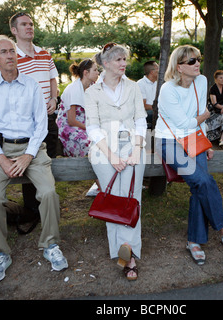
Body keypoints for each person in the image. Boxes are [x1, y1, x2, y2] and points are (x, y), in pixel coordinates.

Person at [0, 35, 68, 282]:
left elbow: (41, 123)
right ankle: (0, 252)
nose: (10, 55)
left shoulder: (31, 85)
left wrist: (29, 155)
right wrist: (2, 158)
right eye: (4, 52)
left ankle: (50, 245)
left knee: (48, 193)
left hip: (33, 149)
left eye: (12, 51)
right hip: (1, 150)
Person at [155, 45, 223, 266]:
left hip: (193, 137)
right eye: (191, 61)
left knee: (198, 186)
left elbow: (196, 117)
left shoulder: (201, 81)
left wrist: (206, 142)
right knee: (202, 180)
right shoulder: (167, 89)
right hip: (170, 140)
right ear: (179, 67)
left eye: (198, 59)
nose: (197, 64)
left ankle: (194, 240)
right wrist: (202, 117)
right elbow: (185, 122)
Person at [84, 43, 147, 281]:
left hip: (133, 145)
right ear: (106, 63)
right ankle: (122, 253)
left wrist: (137, 150)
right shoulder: (92, 92)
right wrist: (112, 156)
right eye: (119, 60)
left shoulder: (133, 87)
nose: (124, 63)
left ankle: (129, 254)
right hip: (103, 149)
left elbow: (141, 121)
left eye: (124, 59)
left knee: (132, 199)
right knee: (114, 200)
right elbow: (92, 127)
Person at [9, 12, 59, 216]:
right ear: (14, 30)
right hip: (27, 121)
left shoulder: (45, 53)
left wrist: (54, 98)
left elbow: (53, 79)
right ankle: (32, 207)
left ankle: (49, 202)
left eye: (31, 24)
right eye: (23, 24)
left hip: (48, 117)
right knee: (28, 161)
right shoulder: (10, 57)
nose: (29, 27)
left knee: (49, 160)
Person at [56, 59, 101, 196]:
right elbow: (71, 120)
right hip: (69, 128)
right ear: (86, 73)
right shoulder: (75, 88)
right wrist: (90, 128)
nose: (98, 73)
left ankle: (108, 182)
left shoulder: (92, 86)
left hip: (85, 123)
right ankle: (104, 187)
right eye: (95, 70)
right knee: (90, 145)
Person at [205, 70, 223, 149]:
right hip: (214, 111)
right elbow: (214, 103)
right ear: (216, 79)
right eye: (221, 78)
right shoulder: (213, 89)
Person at [137, 61, 159, 129]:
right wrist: (158, 108)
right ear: (152, 72)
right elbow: (143, 105)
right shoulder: (140, 84)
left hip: (157, 111)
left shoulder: (159, 83)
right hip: (146, 113)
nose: (160, 70)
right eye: (158, 68)